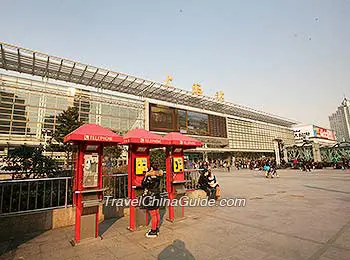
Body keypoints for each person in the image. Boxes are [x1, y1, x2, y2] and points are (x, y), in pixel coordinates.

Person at [141, 161, 163, 238]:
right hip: (157, 195)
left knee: (153, 214)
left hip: (150, 196)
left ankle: (153, 231)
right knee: (157, 213)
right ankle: (156, 228)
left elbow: (143, 184)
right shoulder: (159, 174)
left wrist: (146, 174)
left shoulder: (149, 176)